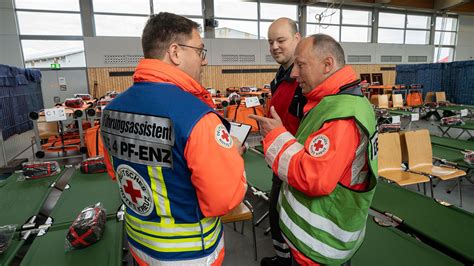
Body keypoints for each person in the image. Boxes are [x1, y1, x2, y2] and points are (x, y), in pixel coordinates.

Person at [100, 12, 247, 265]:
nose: (205, 60)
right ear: (175, 52)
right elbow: (224, 199)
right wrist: (232, 153)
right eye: (200, 51)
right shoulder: (197, 118)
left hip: (139, 244)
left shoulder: (111, 110)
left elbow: (116, 171)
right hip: (189, 255)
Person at [250, 34, 378, 265]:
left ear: (327, 64)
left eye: (301, 65)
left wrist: (276, 136)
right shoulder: (335, 103)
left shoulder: (342, 115)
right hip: (314, 238)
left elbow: (314, 177)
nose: (294, 73)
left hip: (318, 244)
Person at [261, 17, 306, 266]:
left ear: (297, 39)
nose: (274, 47)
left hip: (297, 161)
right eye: (270, 42)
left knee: (286, 217)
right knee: (277, 215)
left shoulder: (305, 79)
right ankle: (283, 259)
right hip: (281, 158)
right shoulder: (281, 76)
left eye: (281, 40)